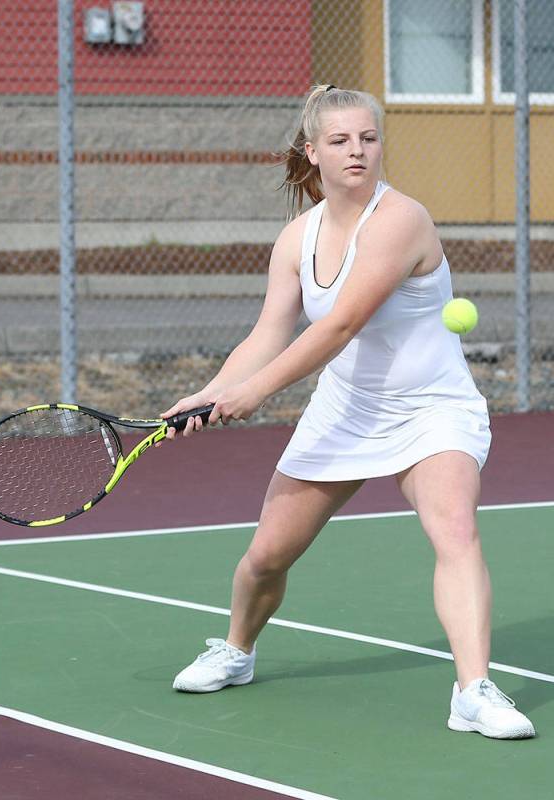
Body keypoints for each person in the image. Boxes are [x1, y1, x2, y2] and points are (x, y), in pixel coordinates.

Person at [161, 85, 535, 740]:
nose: (357, 151)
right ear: (313, 152)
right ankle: (238, 650)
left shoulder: (401, 221)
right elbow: (267, 335)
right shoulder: (296, 239)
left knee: (456, 531)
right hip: (347, 409)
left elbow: (337, 329)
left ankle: (473, 690)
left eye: (368, 138)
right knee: (266, 559)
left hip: (432, 408)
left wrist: (254, 395)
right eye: (340, 141)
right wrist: (210, 391)